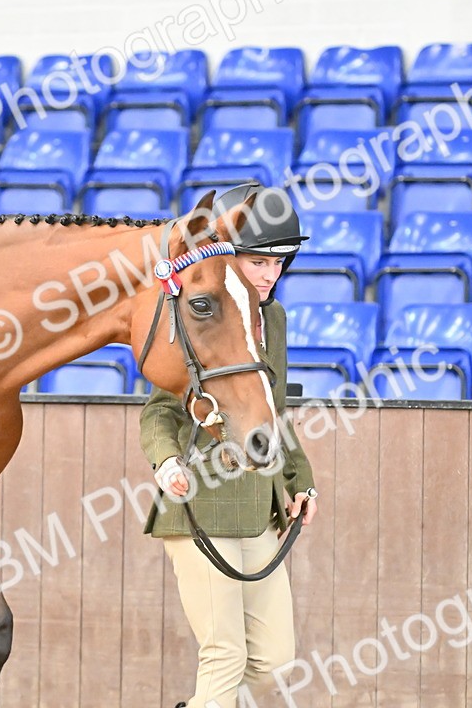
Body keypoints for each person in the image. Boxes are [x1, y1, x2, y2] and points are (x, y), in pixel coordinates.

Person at [139, 183, 318, 708]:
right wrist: (167, 461)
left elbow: (271, 414)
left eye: (279, 263)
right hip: (199, 500)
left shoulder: (275, 320)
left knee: (276, 661)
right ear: (229, 259)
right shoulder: (203, 312)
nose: (270, 275)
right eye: (259, 262)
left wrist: (299, 481)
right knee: (225, 656)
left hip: (260, 506)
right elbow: (160, 410)